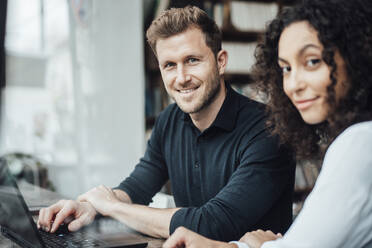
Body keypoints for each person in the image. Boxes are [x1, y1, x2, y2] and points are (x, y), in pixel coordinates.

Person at [37, 6, 295, 242]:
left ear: (220, 61)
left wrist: (111, 206)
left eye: (192, 60)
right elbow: (137, 187)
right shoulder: (168, 120)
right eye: (170, 65)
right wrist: (89, 208)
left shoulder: (270, 128)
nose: (181, 78)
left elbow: (213, 224)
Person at [163, 0, 372, 247]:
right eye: (286, 68)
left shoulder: (360, 142)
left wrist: (256, 245)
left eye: (312, 61)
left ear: (357, 56)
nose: (294, 84)